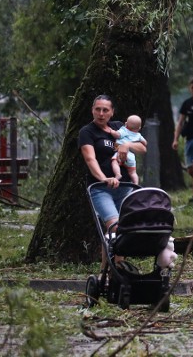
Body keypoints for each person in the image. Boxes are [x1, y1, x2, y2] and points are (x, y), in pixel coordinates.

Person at [80, 94, 147, 268]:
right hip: (101, 189)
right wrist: (104, 178)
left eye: (105, 110)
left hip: (125, 187)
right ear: (92, 110)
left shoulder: (120, 128)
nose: (101, 113)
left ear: (112, 112)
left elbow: (142, 147)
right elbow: (90, 160)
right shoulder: (87, 132)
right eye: (97, 109)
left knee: (119, 229)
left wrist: (127, 145)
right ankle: (117, 268)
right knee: (115, 227)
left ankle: (110, 271)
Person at [110, 114, 146, 186]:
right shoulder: (138, 135)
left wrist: (111, 131)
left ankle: (118, 174)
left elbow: (117, 135)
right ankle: (136, 184)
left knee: (114, 162)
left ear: (126, 124)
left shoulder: (124, 130)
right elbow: (145, 142)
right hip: (131, 156)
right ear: (139, 128)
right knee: (133, 172)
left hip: (119, 153)